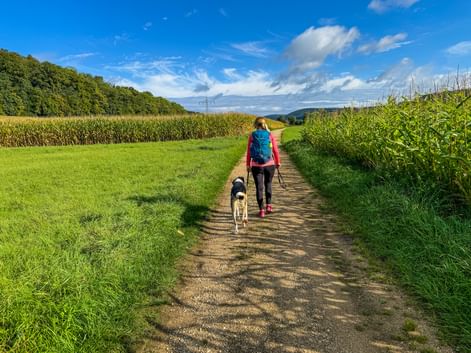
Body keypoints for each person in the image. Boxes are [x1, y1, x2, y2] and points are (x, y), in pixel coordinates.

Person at [246, 117, 281, 218]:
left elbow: (249, 152)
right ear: (264, 124)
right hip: (269, 164)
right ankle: (269, 206)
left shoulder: (252, 135)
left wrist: (248, 165)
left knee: (259, 187)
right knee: (268, 184)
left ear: (255, 125)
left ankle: (261, 211)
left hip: (256, 166)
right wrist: (278, 162)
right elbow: (275, 150)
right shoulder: (269, 134)